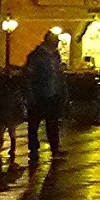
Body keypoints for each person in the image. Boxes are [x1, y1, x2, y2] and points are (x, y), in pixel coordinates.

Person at [24, 30, 67, 161]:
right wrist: (30, 93)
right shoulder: (36, 56)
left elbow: (59, 74)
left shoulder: (55, 55)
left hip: (53, 93)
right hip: (38, 94)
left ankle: (55, 148)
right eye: (56, 41)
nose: (58, 44)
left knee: (52, 122)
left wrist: (61, 90)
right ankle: (33, 149)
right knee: (34, 123)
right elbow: (28, 75)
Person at [0, 70, 26, 162]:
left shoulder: (2, 92)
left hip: (4, 113)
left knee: (1, 130)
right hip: (11, 114)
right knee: (11, 131)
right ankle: (12, 148)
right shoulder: (15, 93)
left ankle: (0, 146)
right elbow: (19, 103)